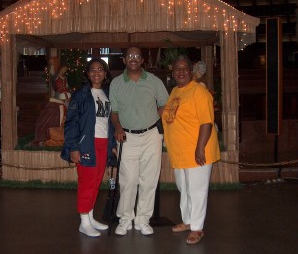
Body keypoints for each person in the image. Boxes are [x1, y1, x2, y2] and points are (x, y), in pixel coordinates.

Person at [109, 46, 169, 236]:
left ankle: (143, 219)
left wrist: (153, 119)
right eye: (130, 56)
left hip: (151, 135)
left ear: (142, 60)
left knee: (149, 179)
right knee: (129, 180)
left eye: (137, 56)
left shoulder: (153, 81)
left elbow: (165, 104)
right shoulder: (116, 83)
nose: (133, 59)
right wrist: (118, 128)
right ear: (124, 60)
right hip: (126, 136)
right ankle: (126, 219)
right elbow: (114, 112)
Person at [162, 55, 220, 245]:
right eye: (177, 68)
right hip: (180, 153)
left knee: (197, 191)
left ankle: (197, 228)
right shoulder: (175, 92)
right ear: (173, 72)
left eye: (184, 68)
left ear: (191, 71)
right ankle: (187, 221)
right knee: (184, 189)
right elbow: (170, 114)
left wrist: (200, 148)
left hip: (197, 152)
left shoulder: (199, 92)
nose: (180, 71)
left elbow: (206, 122)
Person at [61, 58, 116, 237]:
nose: (96, 73)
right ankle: (84, 222)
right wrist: (73, 147)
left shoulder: (108, 93)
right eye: (93, 70)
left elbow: (111, 122)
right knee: (87, 183)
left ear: (105, 73)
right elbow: (71, 123)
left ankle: (90, 217)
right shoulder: (81, 95)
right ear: (87, 73)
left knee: (96, 182)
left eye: (100, 69)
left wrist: (113, 145)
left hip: (103, 144)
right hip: (86, 145)